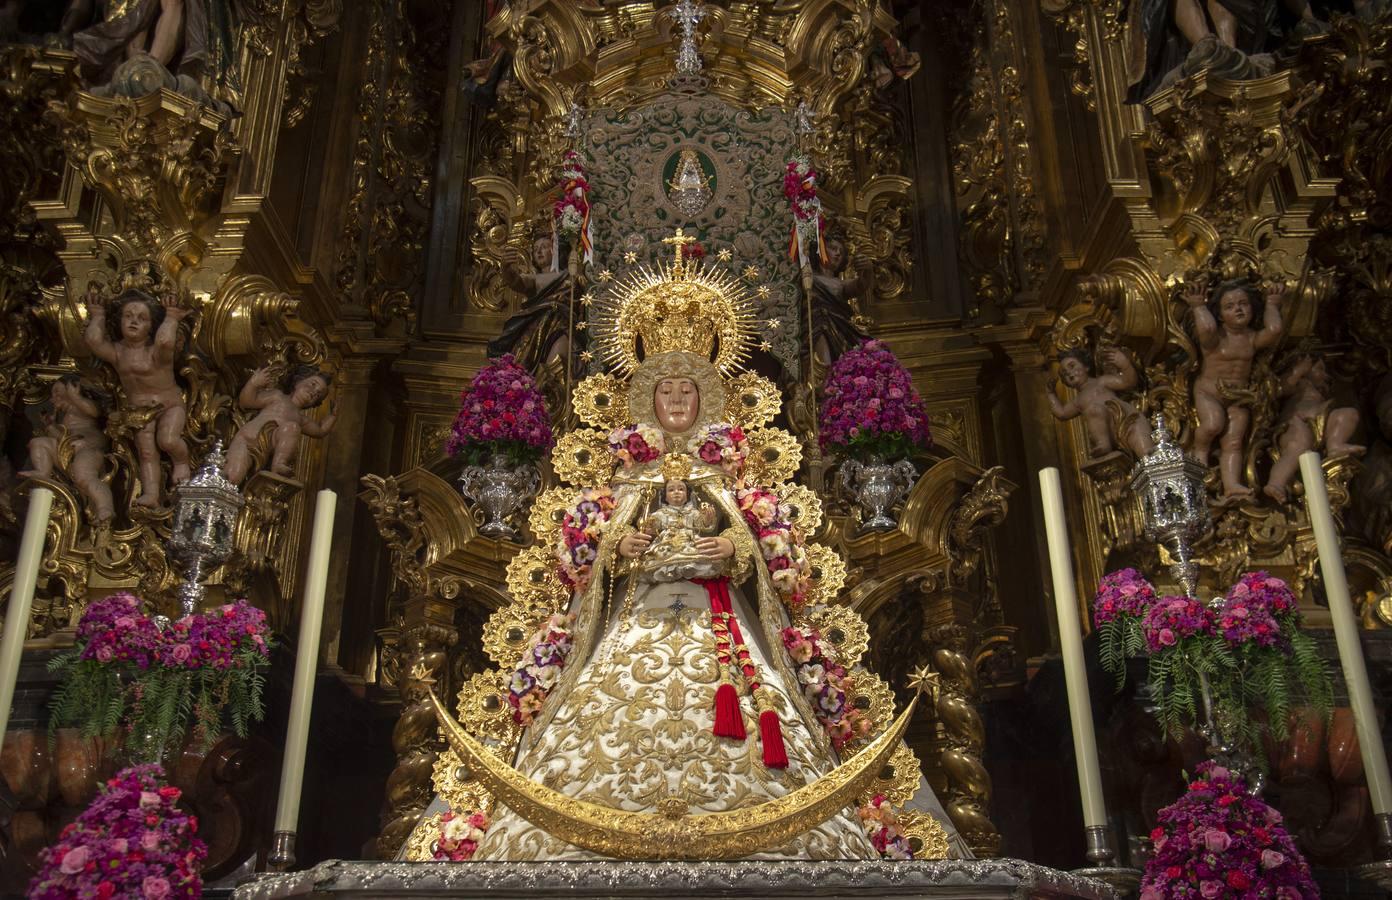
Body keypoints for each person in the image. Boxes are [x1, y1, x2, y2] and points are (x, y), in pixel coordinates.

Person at [84, 288, 191, 508]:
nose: (133, 322)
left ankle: (181, 462)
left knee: (168, 440)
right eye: (128, 316)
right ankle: (151, 493)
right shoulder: (118, 352)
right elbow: (94, 341)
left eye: (142, 318)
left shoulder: (155, 353)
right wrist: (98, 315)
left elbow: (165, 343)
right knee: (146, 451)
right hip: (137, 411)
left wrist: (171, 317)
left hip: (169, 405)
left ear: (151, 326)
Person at [1184, 277, 1285, 502]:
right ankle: (1197, 453)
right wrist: (1198, 305)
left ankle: (1232, 485)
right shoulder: (1214, 338)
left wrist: (1272, 303)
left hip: (1239, 397)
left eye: (1243, 303)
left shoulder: (1251, 338)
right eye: (1229, 306)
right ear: (1220, 314)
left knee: (1234, 441)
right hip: (1209, 392)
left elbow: (1275, 329)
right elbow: (1206, 327)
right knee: (1212, 425)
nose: (1238, 309)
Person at [1263, 354, 1364, 503]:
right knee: (1297, 448)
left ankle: (1335, 445)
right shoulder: (1301, 383)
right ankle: (1276, 483)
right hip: (1296, 422)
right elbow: (1280, 388)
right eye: (1320, 369)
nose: (1325, 375)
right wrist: (1298, 371)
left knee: (1348, 414)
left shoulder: (1318, 391)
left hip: (1319, 420)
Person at [21, 375, 115, 527]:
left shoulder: (84, 406)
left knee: (84, 476)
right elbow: (63, 438)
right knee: (38, 443)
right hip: (69, 449)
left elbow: (94, 412)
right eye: (52, 394)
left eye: (57, 391)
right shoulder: (65, 418)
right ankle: (42, 471)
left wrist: (75, 397)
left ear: (73, 387)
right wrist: (50, 426)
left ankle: (105, 508)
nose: (54, 397)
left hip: (88, 448)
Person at [223, 364, 337, 484]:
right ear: (298, 382)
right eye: (313, 384)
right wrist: (254, 383)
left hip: (269, 446)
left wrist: (333, 416)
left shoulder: (301, 419)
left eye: (318, 394)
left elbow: (320, 430)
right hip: (248, 440)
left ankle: (279, 464)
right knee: (232, 477)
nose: (314, 392)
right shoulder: (277, 397)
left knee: (292, 427)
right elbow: (247, 401)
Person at [488, 234, 584, 375]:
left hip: (563, 326)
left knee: (558, 363)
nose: (539, 251)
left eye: (544, 247)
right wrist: (506, 268)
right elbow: (516, 282)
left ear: (556, 251)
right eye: (536, 249)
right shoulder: (535, 279)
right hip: (538, 328)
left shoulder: (571, 275)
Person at [1045, 346, 1155, 458]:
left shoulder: (1101, 382)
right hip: (1111, 434)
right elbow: (1062, 413)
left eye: (1072, 366)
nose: (1069, 372)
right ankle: (1102, 443)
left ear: (1086, 366)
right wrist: (1051, 394)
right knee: (1094, 409)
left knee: (1148, 455)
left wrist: (1124, 363)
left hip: (1129, 421)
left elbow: (1128, 382)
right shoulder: (1077, 401)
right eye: (1064, 373)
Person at [636, 479, 722, 583]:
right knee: (663, 554)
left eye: (681, 489)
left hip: (689, 540)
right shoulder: (661, 513)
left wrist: (707, 519)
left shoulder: (692, 512)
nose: (676, 492)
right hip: (667, 541)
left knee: (697, 552)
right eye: (671, 490)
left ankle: (689, 568)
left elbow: (702, 524)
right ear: (665, 497)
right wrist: (648, 524)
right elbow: (651, 524)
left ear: (687, 495)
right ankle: (667, 571)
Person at [809, 232, 873, 366]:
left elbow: (861, 285)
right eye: (833, 248)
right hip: (816, 325)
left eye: (841, 252)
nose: (838, 254)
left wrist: (867, 270)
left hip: (839, 328)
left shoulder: (840, 284)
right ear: (820, 250)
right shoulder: (808, 278)